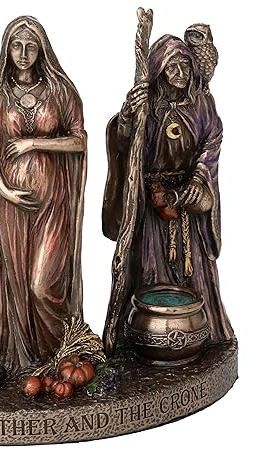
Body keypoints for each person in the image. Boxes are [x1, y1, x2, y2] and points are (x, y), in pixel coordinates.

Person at [102, 34, 233, 352]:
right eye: (172, 65)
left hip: (186, 207)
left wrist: (191, 189)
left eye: (185, 64)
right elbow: (124, 145)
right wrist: (127, 117)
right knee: (150, 268)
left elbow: (211, 145)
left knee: (193, 272)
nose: (180, 71)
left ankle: (201, 337)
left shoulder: (201, 104)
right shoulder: (148, 106)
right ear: (158, 70)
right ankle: (144, 339)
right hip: (150, 205)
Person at [0, 16, 87, 373]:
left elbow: (79, 141)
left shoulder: (60, 91)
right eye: (16, 45)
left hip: (52, 202)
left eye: (31, 46)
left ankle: (62, 356)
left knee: (42, 284)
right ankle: (26, 362)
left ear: (42, 50)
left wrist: (34, 143)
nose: (23, 53)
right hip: (10, 204)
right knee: (17, 284)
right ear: (7, 49)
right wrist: (2, 188)